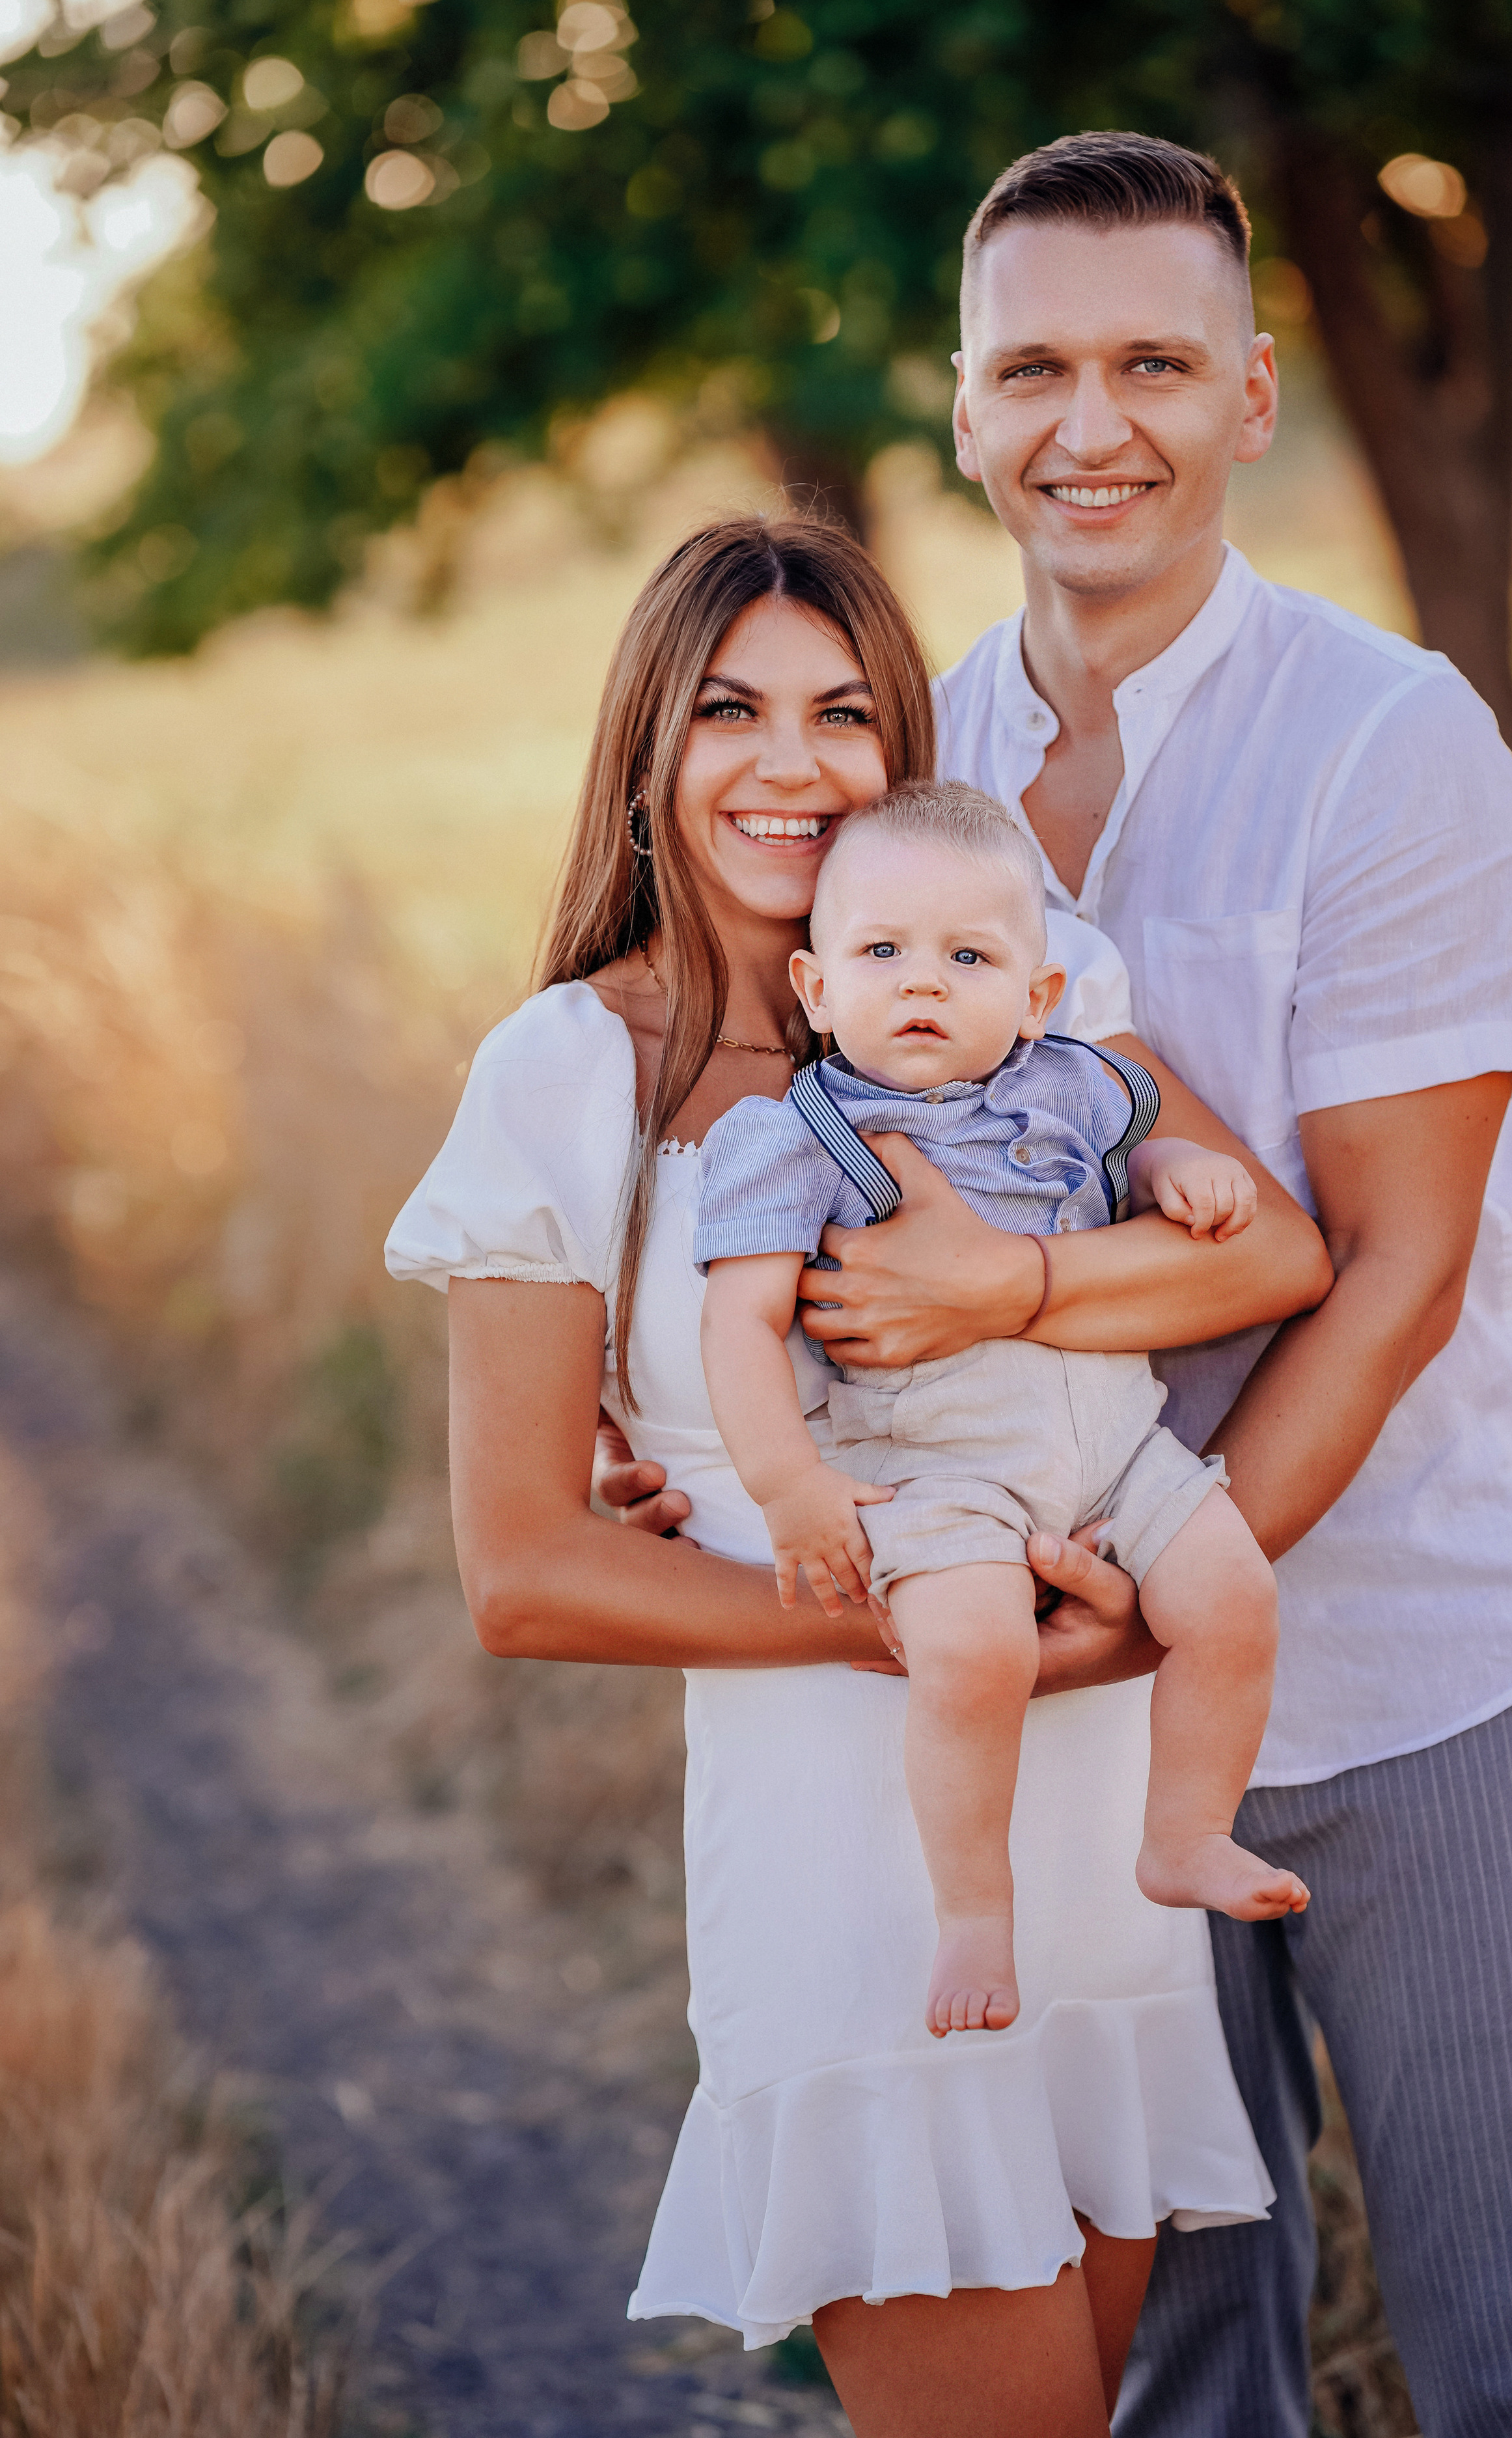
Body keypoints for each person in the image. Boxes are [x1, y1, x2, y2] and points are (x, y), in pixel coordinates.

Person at [386, 515, 1332, 2437]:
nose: (793, 765)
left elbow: (1270, 1254)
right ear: (649, 744)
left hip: (1094, 1868)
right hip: (857, 1881)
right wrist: (907, 1636)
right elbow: (527, 1574)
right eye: (731, 709)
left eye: (843, 714)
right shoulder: (563, 1077)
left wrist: (1025, 1286)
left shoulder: (1014, 978)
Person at [904, 128, 1512, 2433]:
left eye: (1153, 361)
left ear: (1249, 396)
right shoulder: (910, 752)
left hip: (1425, 1659)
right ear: (962, 407)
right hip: (1072, 1695)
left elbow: (1403, 1268)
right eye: (1035, 368)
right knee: (1179, 2373)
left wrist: (1163, 1597)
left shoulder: (1391, 741)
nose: (1088, 423)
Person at [697, 780, 1306, 2042]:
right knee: (974, 1653)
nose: (922, 984)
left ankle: (1185, 1832)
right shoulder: (797, 1135)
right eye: (881, 953)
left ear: (1034, 999)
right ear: (816, 990)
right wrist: (786, 1486)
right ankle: (974, 1911)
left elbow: (1130, 1163)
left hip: (1112, 1446)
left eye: (966, 957)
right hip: (939, 1464)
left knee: (1233, 1598)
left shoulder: (1074, 1086)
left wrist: (1174, 1167)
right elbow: (740, 1322)